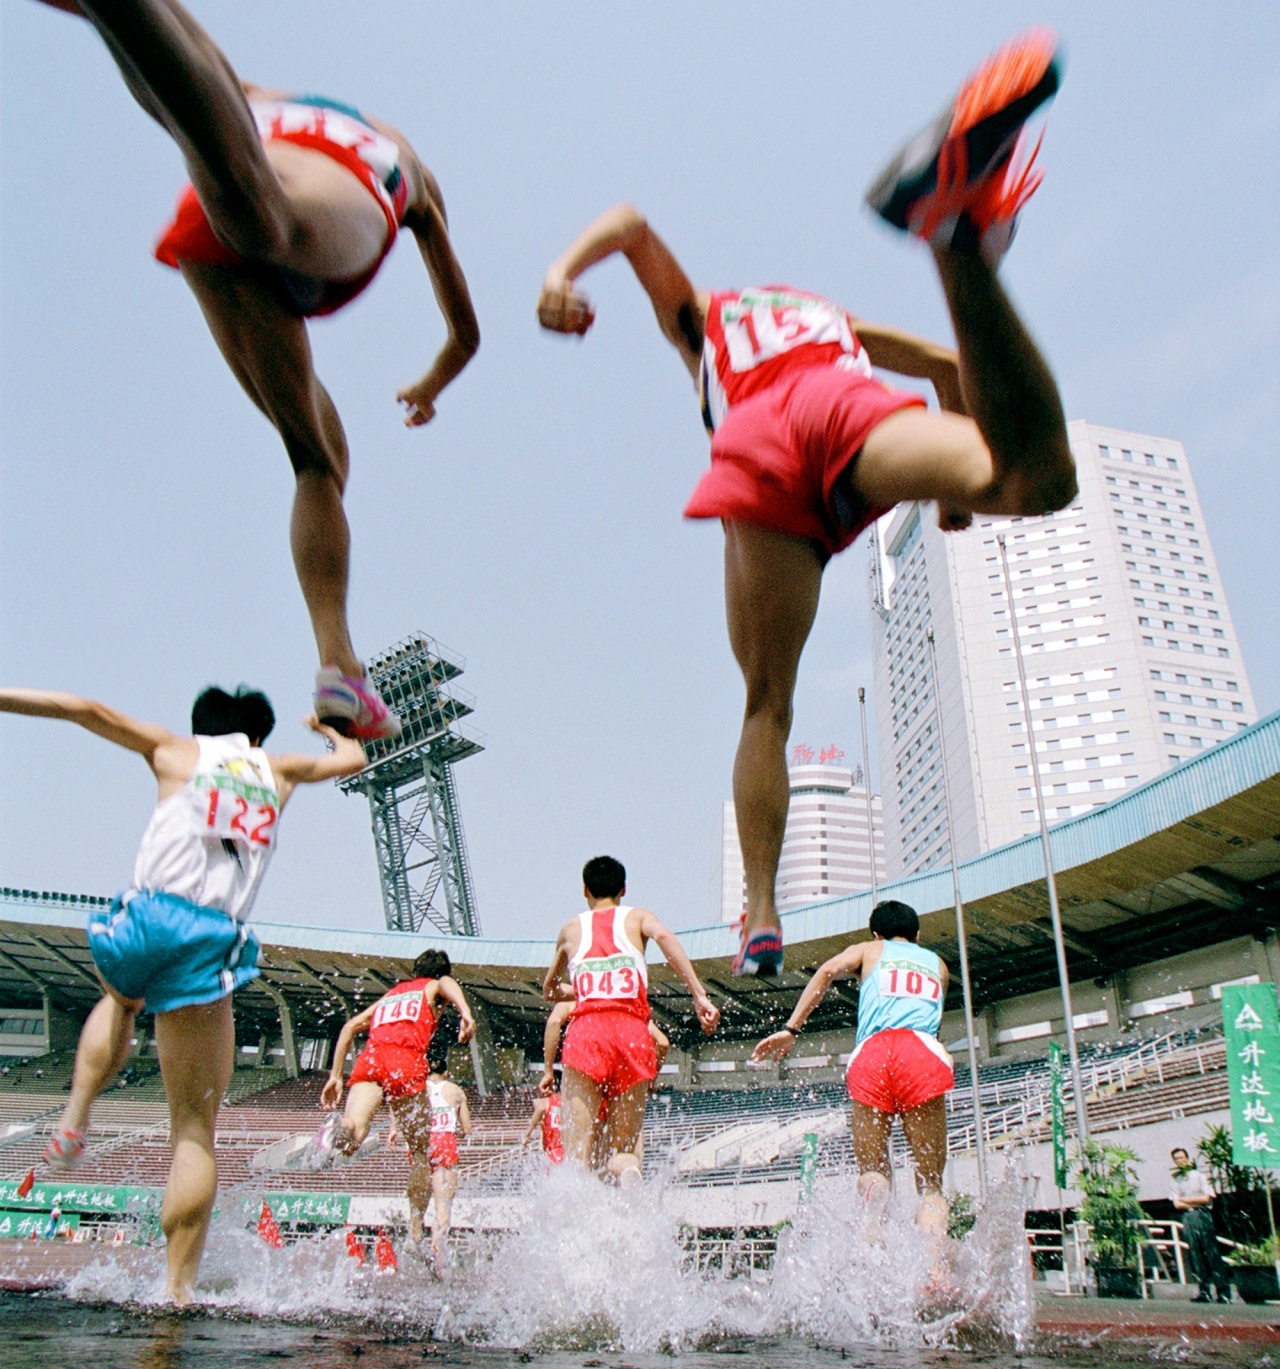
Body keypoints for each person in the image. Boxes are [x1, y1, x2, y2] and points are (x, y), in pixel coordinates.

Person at [537, 29, 1075, 974]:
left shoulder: (705, 319)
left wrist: (560, 274)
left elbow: (628, 223)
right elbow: (948, 366)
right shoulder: (833, 319)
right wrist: (949, 503)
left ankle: (759, 906)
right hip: (844, 405)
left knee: (766, 701)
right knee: (1034, 479)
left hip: (758, 445)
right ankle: (958, 242)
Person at [35, 0, 480, 739]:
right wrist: (432, 384)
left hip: (219, 227)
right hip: (303, 211)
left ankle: (342, 667)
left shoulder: (261, 97)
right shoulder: (407, 162)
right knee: (312, 448)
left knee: (321, 450)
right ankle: (336, 667)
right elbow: (465, 334)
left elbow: (186, 52)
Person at [0, 682, 365, 1303]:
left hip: (147, 916)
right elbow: (353, 758)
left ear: (202, 727)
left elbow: (83, 709)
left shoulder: (175, 751)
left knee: (120, 1000)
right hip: (208, 935)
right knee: (194, 1132)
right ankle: (176, 1290)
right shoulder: (279, 770)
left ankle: (76, 1113)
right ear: (257, 737)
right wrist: (327, 728)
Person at [753, 900, 954, 1238]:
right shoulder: (939, 965)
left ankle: (874, 1194)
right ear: (917, 935)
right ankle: (934, 1261)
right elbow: (933, 1023)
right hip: (921, 1052)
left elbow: (827, 971)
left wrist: (791, 1029)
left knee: (873, 1170)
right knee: (931, 1185)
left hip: (872, 1055)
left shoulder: (868, 949)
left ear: (876, 934)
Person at [543, 857, 719, 1176]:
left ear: (584, 890)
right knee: (624, 1151)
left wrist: (583, 990)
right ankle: (626, 1171)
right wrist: (698, 993)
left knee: (577, 1156)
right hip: (633, 1033)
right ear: (623, 889)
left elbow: (550, 989)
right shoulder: (638, 917)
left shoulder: (570, 929)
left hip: (587, 1034)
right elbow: (664, 936)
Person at [320, 950, 475, 1154]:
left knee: (353, 1135)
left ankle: (338, 1128)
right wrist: (465, 1012)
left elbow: (349, 1027)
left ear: (414, 973)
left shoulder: (392, 995)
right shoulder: (434, 986)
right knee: (419, 1150)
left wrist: (335, 1076)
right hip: (405, 1063)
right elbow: (445, 982)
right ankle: (420, 1173)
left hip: (371, 1060)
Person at [531, 1000, 671, 1172]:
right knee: (626, 1157)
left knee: (584, 1162)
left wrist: (548, 1070)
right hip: (626, 1083)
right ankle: (629, 1173)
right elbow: (663, 1043)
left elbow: (553, 1019)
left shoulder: (577, 1006)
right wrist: (649, 1079)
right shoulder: (630, 1009)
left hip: (589, 1088)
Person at [400, 1042, 471, 1273]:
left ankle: (414, 1236)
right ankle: (437, 1252)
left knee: (417, 1203)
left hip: (422, 1144)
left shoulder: (418, 1088)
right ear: (446, 1073)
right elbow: (467, 1128)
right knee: (443, 1206)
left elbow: (399, 1109)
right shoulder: (456, 1091)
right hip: (444, 1143)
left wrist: (393, 1130)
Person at [1170, 1146, 1230, 1304]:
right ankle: (1204, 1291)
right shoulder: (1176, 1180)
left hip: (1202, 1214)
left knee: (1211, 1253)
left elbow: (1206, 1198)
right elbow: (1176, 1204)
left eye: (1182, 1158)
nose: (1180, 1161)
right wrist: (1189, 1202)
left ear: (1188, 1159)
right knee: (1195, 1254)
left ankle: (1223, 1292)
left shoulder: (1199, 1176)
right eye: (1176, 1159)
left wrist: (1185, 1200)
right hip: (1188, 1217)